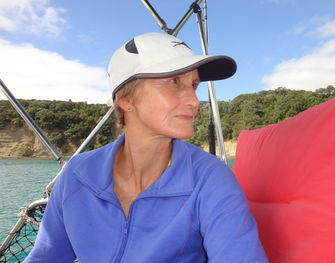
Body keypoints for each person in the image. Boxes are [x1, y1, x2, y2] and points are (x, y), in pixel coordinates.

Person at [24, 32, 268, 262]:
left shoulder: (209, 178)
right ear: (126, 99)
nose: (194, 101)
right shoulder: (78, 175)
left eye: (193, 85)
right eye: (174, 81)